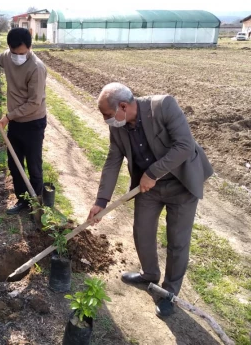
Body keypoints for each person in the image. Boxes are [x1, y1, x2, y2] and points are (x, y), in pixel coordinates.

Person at [88, 83, 213, 317]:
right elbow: (113, 161)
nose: (106, 120)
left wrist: (153, 173)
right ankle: (150, 274)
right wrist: (101, 201)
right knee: (142, 231)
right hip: (148, 189)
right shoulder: (118, 126)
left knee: (177, 241)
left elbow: (184, 145)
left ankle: (169, 293)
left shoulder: (163, 106)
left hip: (181, 184)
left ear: (123, 106)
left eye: (107, 114)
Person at [0, 28, 47, 215]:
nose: (17, 57)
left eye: (21, 53)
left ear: (29, 47)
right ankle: (22, 200)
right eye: (14, 52)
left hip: (33, 122)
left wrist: (8, 117)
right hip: (15, 122)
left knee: (34, 164)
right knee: (14, 162)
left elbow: (34, 103)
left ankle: (39, 204)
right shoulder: (8, 57)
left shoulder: (36, 68)